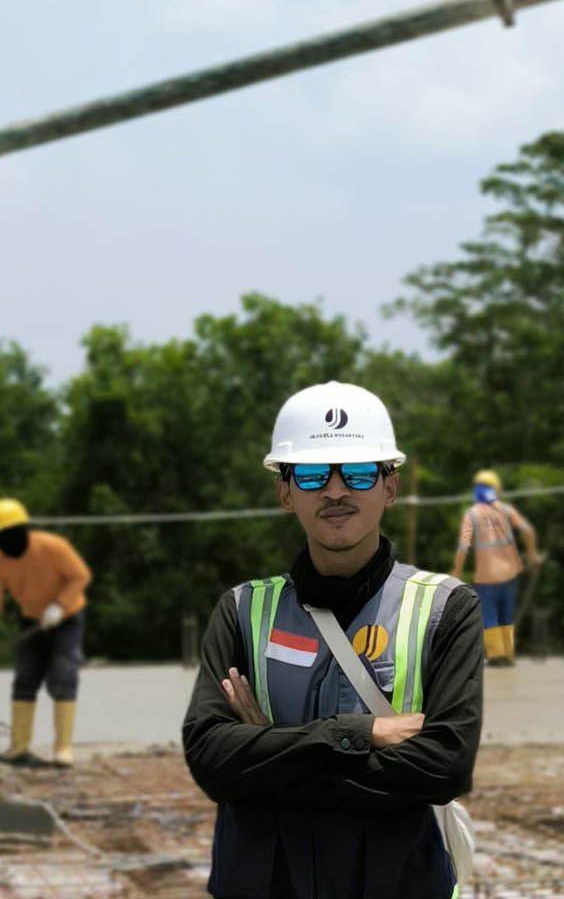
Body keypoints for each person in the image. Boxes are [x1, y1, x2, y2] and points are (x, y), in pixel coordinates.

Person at [183, 381, 483, 899]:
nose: (337, 489)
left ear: (389, 487)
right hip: (265, 882)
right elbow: (211, 760)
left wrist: (268, 751)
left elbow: (445, 766)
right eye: (315, 474)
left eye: (361, 472)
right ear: (285, 492)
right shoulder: (241, 611)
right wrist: (359, 734)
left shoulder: (444, 609)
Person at [0, 496, 91, 767]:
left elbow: (80, 576)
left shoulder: (52, 547)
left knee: (63, 677)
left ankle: (62, 749)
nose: (2, 543)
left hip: (65, 619)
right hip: (31, 621)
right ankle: (18, 747)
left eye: (5, 535)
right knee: (25, 680)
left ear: (20, 531)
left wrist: (59, 606)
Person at [450, 468, 538, 667]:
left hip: (486, 576)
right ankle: (507, 654)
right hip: (509, 573)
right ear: (497, 490)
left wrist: (456, 571)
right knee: (507, 616)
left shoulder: (471, 514)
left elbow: (463, 546)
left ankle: (497, 657)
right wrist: (532, 556)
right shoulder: (506, 510)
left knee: (490, 617)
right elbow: (528, 531)